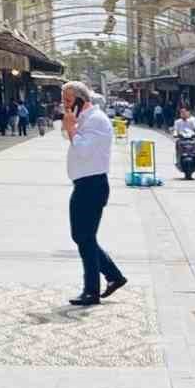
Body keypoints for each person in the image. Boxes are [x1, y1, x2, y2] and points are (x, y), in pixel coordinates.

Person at [61, 81, 127, 308]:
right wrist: (71, 125)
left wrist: (71, 128)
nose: (65, 106)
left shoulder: (97, 120)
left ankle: (91, 291)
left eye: (68, 101)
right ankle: (114, 275)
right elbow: (69, 138)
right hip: (83, 184)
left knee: (85, 238)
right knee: (82, 237)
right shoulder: (85, 118)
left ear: (82, 100)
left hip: (92, 185)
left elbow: (83, 150)